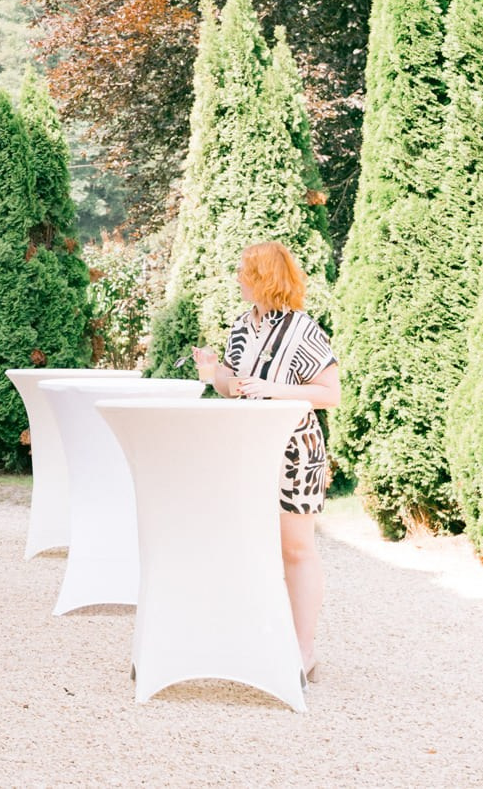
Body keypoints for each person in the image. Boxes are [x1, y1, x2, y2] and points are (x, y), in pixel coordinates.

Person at [190, 240, 342, 676]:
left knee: (296, 549)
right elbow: (233, 387)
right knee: (249, 545)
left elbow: (329, 394)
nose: (238, 276)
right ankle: (257, 638)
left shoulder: (303, 330)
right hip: (247, 449)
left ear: (264, 277)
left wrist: (275, 389)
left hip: (295, 450)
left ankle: (303, 651)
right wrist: (211, 370)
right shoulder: (241, 327)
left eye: (245, 270)